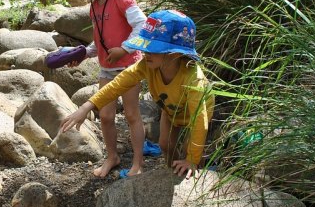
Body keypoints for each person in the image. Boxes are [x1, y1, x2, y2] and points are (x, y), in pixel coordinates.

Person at [60, 10, 214, 178]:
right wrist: (87, 106)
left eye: (153, 49)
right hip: (170, 110)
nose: (145, 53)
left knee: (189, 149)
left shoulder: (193, 78)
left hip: (196, 112)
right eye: (145, 47)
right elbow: (119, 84)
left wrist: (191, 159)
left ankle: (194, 168)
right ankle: (173, 172)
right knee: (165, 144)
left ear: (176, 54)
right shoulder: (147, 65)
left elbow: (200, 121)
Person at [69, 0, 147, 178]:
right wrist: (84, 54)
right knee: (105, 116)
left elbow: (143, 26)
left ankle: (138, 162)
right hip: (107, 68)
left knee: (132, 114)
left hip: (129, 66)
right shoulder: (95, 6)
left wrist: (125, 48)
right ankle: (112, 156)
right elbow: (100, 40)